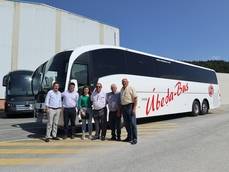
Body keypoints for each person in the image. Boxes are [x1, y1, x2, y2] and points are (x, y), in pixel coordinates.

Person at [120, 78, 138, 145]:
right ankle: (129, 137)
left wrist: (134, 108)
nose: (124, 83)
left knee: (132, 124)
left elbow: (135, 98)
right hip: (124, 107)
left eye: (125, 81)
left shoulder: (131, 88)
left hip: (130, 106)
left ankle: (135, 138)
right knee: (126, 124)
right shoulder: (121, 89)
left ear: (127, 82)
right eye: (123, 82)